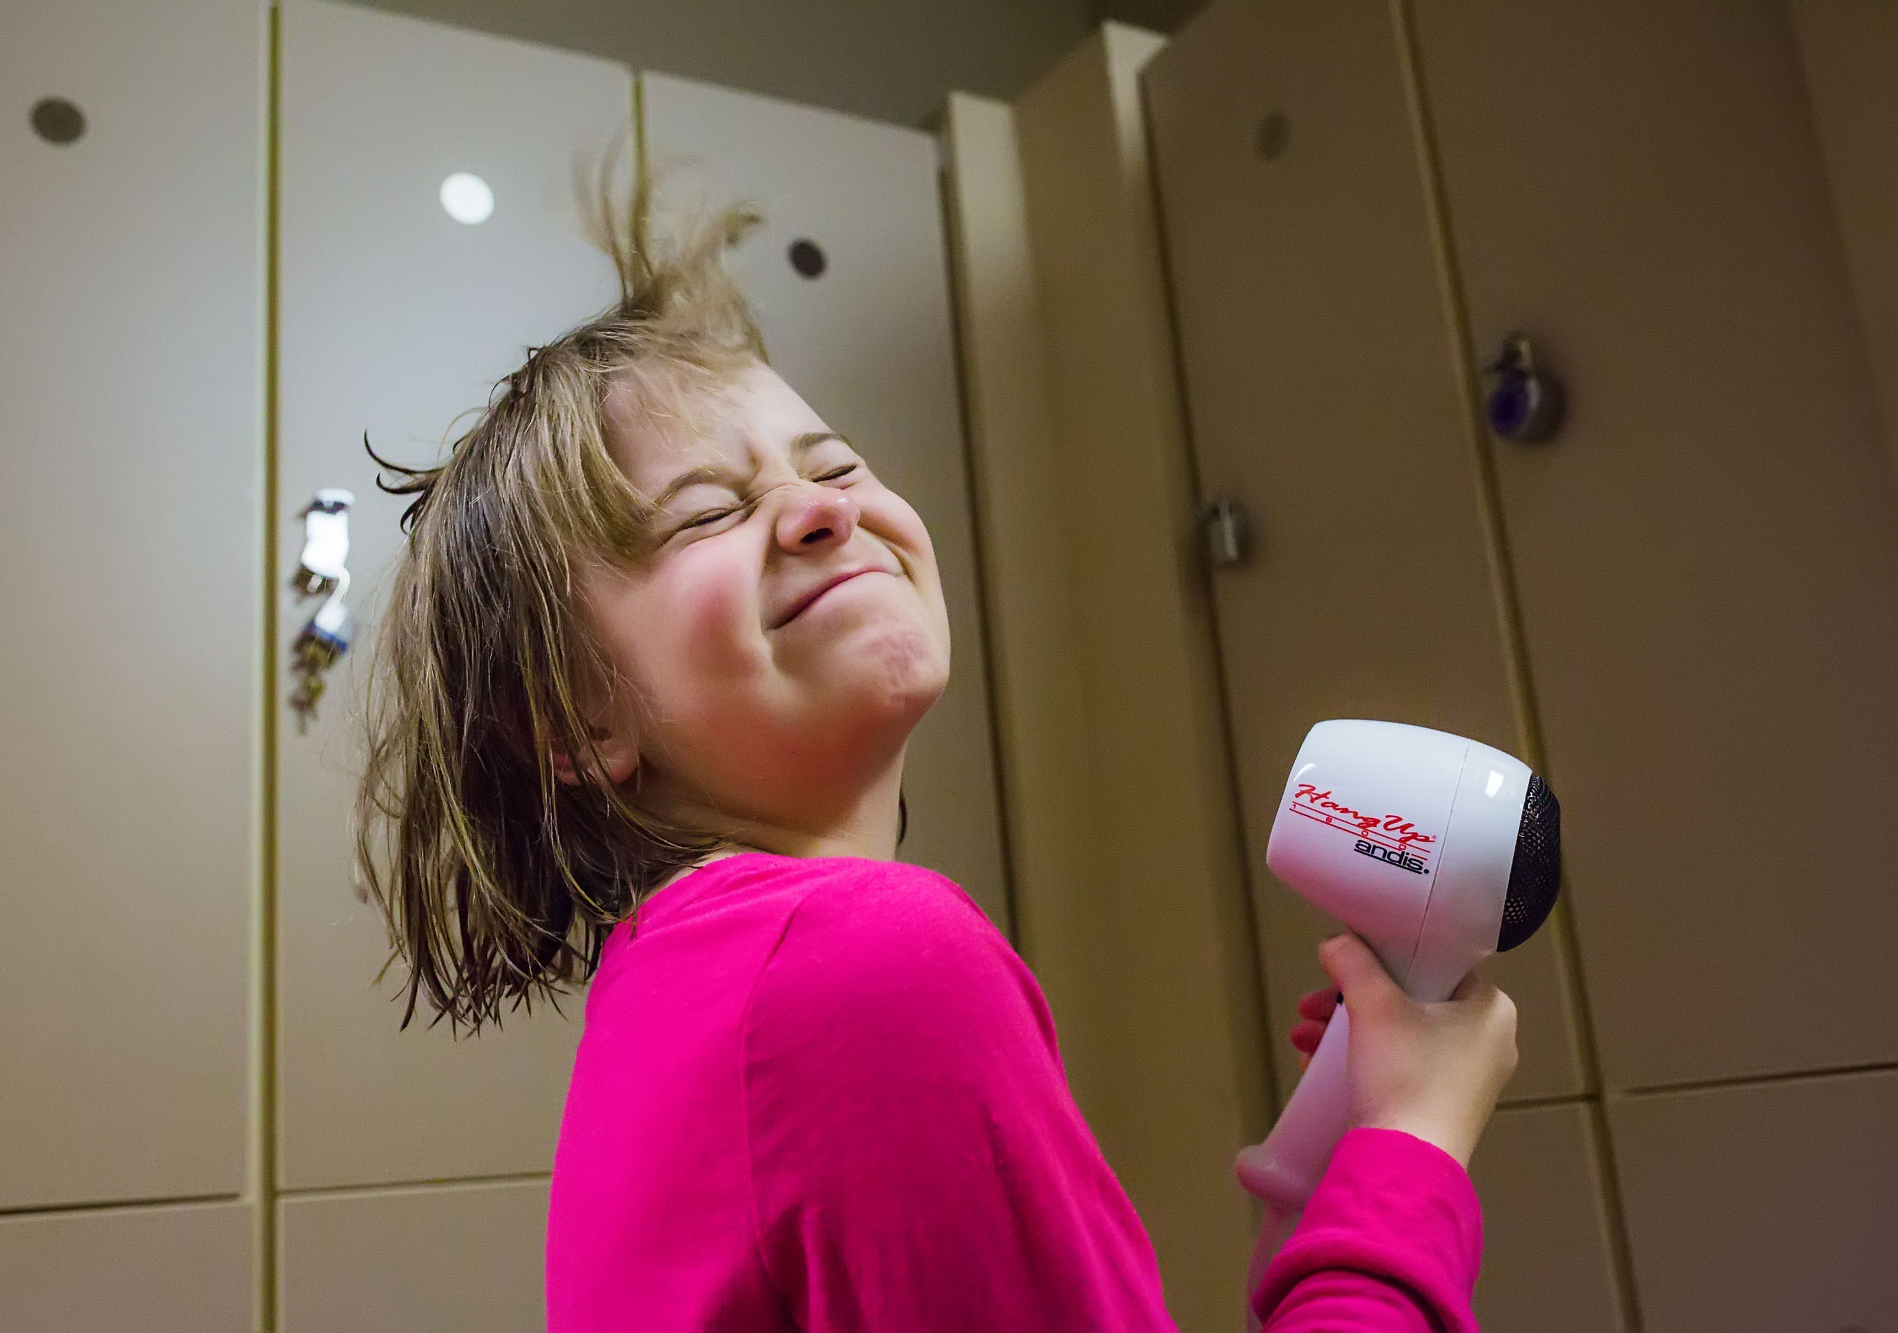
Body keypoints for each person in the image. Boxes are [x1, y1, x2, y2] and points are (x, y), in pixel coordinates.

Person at [354, 170, 1521, 1333]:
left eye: (833, 465)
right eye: (704, 512)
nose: (820, 512)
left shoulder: (676, 995)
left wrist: (1337, 1183)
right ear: (575, 720)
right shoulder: (864, 965)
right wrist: (1407, 1157)